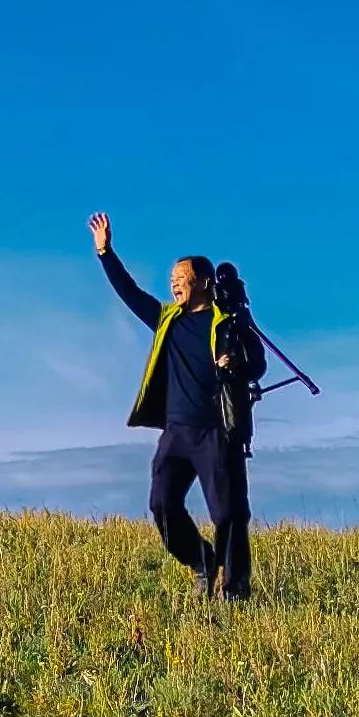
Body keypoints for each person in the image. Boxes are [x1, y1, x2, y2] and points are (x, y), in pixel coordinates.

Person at [87, 211, 256, 600]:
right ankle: (202, 561)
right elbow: (129, 292)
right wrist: (105, 252)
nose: (174, 284)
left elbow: (258, 363)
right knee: (161, 504)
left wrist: (235, 362)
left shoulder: (229, 321)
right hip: (176, 431)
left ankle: (234, 590)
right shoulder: (167, 320)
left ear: (204, 282)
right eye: (172, 280)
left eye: (182, 278)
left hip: (217, 430)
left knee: (228, 514)